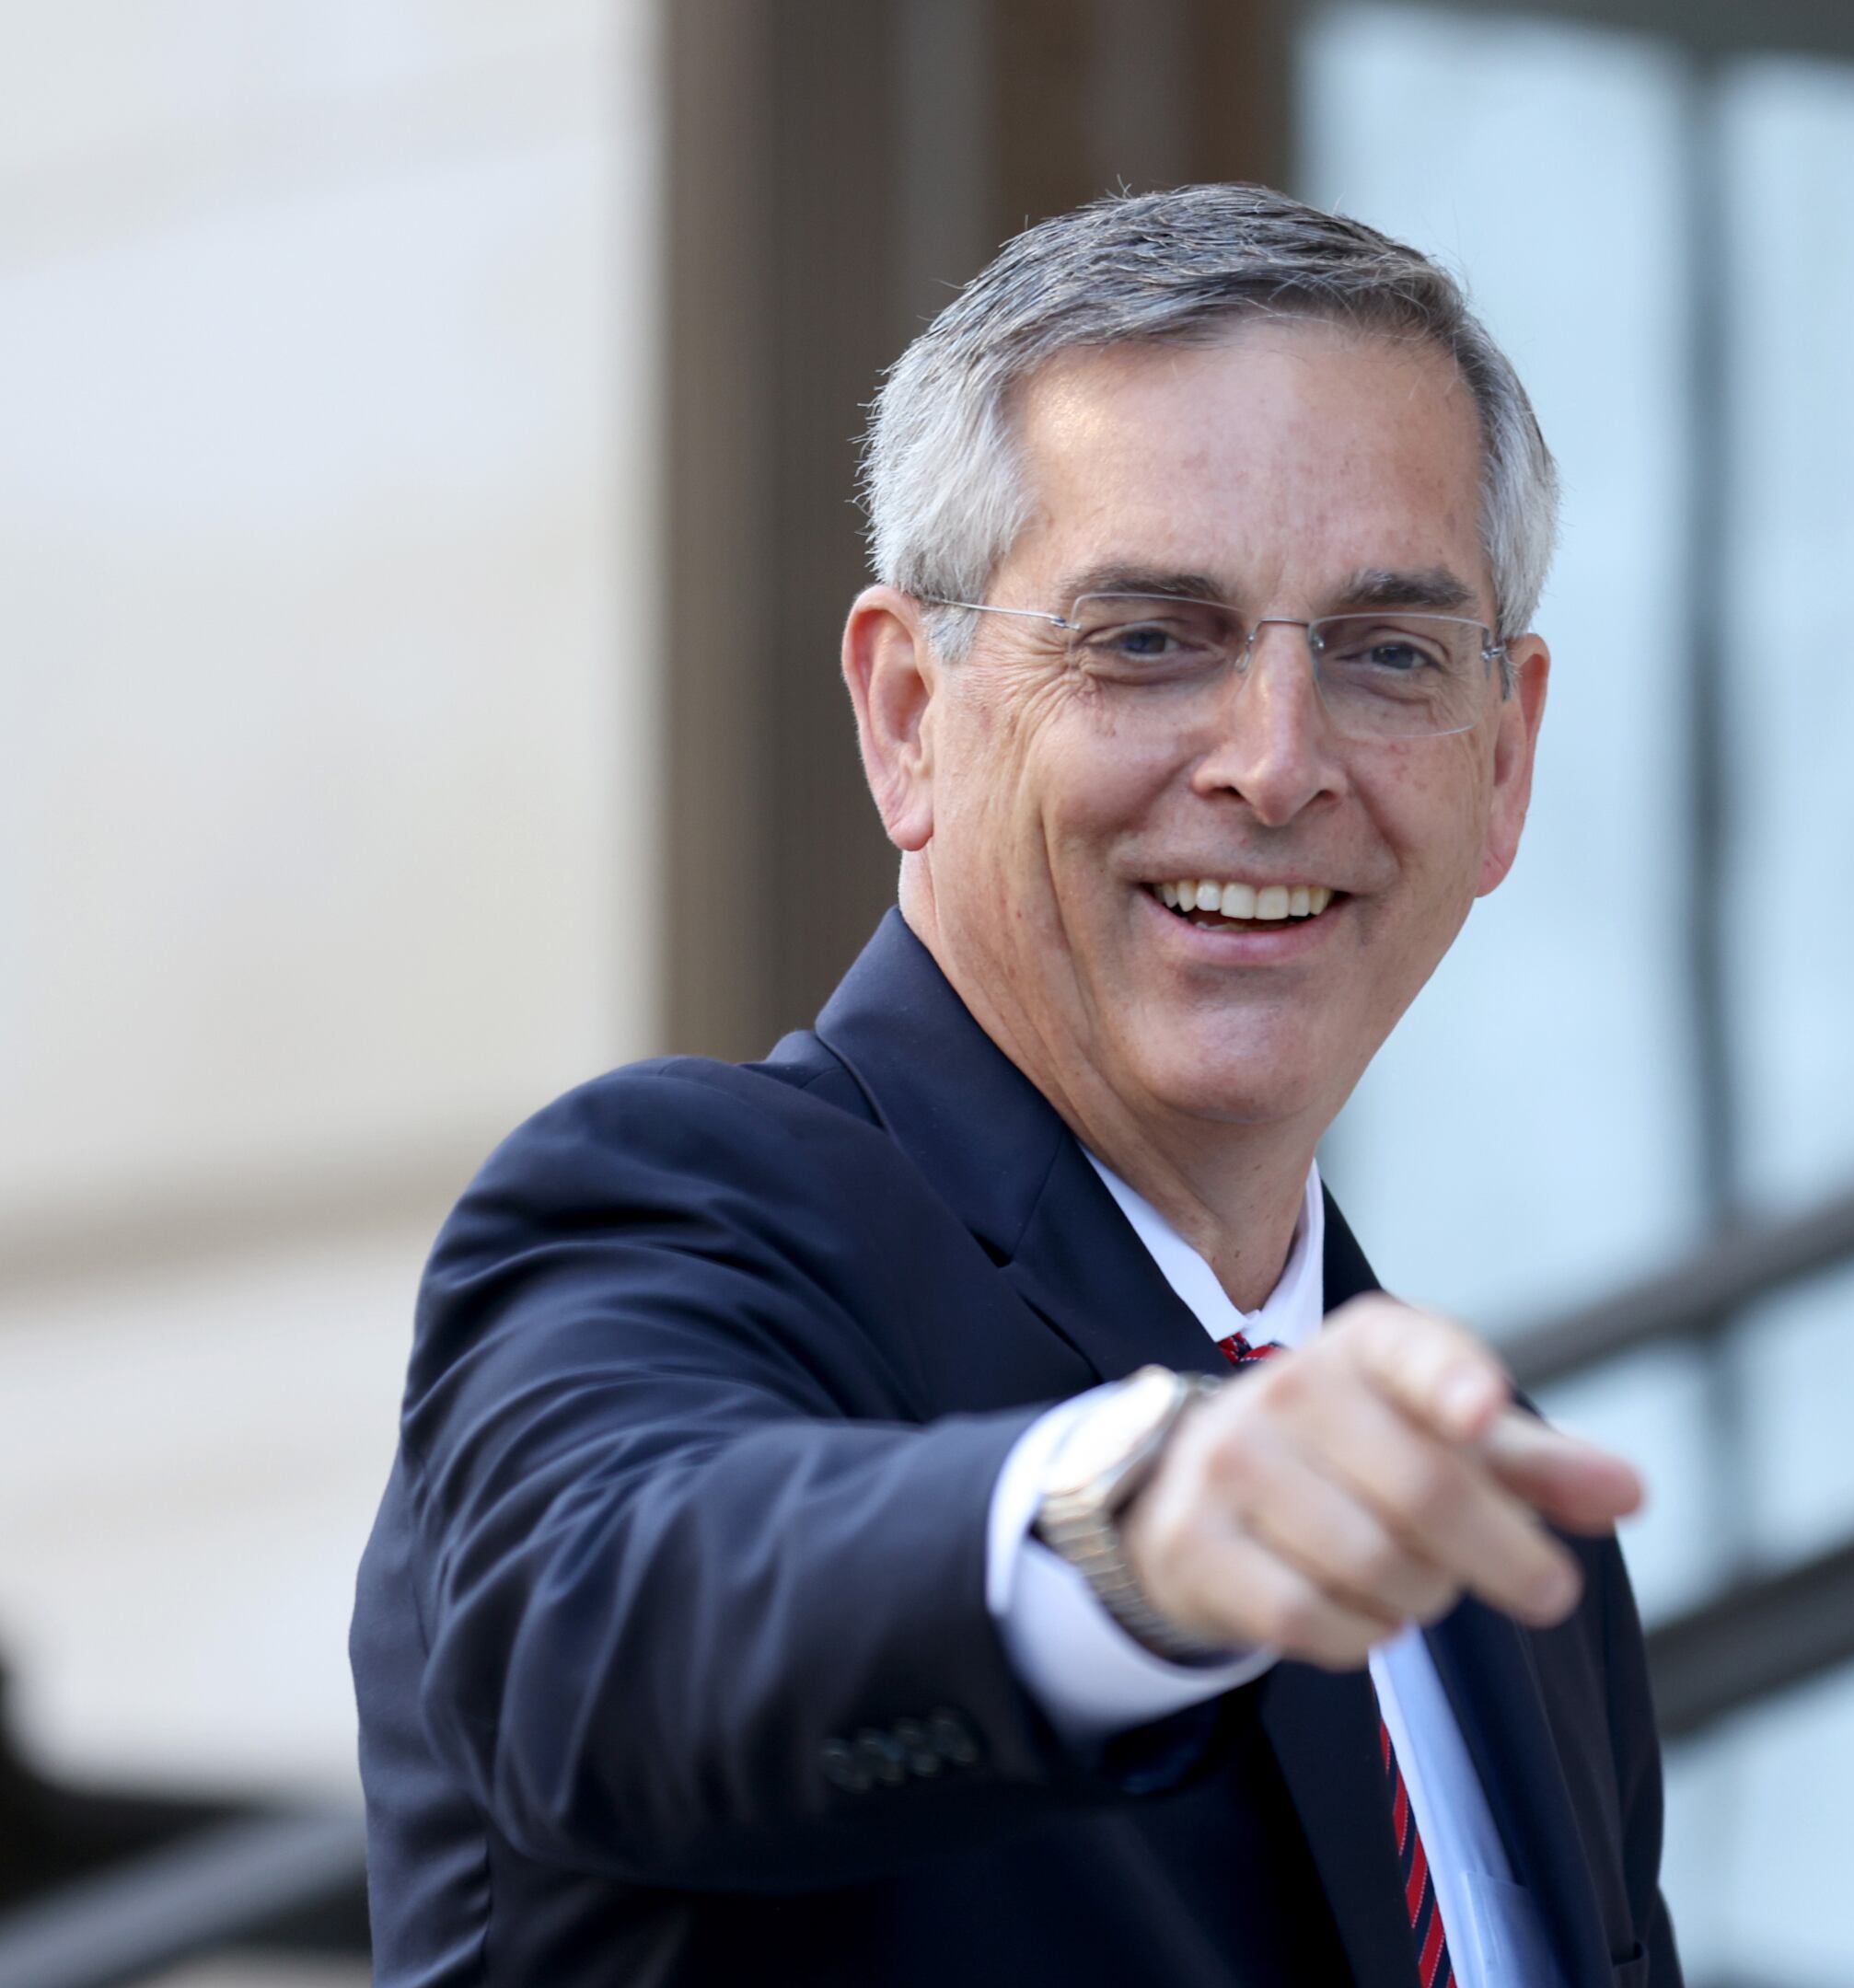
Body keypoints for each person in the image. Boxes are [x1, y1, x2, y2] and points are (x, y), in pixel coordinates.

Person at [351, 185, 1678, 1988]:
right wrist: (1127, 1535)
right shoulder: (679, 1214)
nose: (1278, 763)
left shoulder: (1489, 1530)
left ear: (1504, 763)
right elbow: (606, 1627)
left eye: (1387, 654)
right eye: (1151, 638)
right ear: (909, 715)